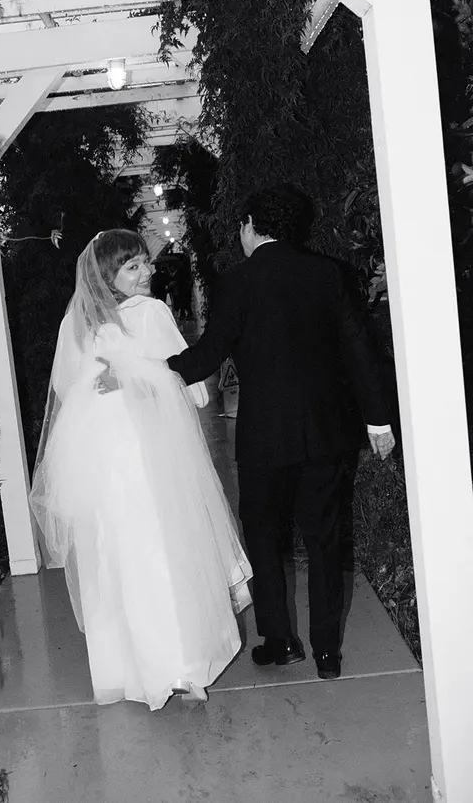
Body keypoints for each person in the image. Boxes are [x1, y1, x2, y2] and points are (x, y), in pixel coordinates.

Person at [167, 188, 395, 680]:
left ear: (250, 224)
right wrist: (377, 419)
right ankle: (328, 653)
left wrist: (151, 368)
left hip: (264, 434)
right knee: (325, 538)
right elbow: (359, 350)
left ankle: (280, 641)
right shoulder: (329, 273)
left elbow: (208, 355)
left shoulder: (237, 282)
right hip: (326, 430)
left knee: (263, 534)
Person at [29, 229, 252, 711]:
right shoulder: (151, 313)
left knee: (116, 556)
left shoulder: (77, 323)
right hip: (145, 454)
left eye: (145, 262)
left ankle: (129, 671)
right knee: (161, 549)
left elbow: (67, 390)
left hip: (99, 458)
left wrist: (120, 379)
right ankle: (182, 666)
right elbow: (195, 391)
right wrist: (142, 378)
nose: (147, 271)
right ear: (109, 275)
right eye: (133, 266)